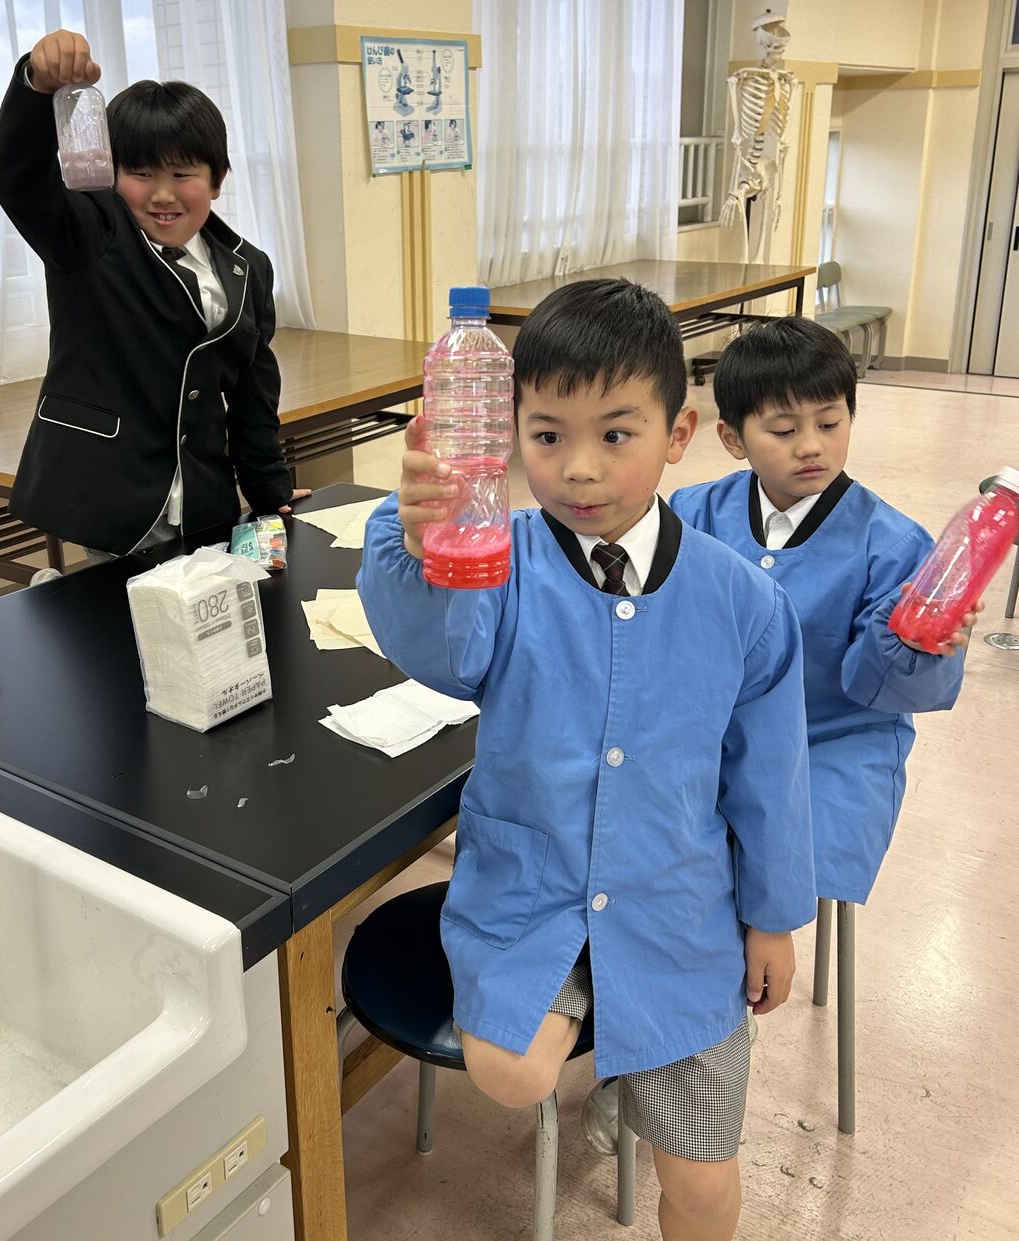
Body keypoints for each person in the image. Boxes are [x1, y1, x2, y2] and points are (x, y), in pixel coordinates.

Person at [358, 279, 816, 1240]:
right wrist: (416, 542)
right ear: (509, 434)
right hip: (537, 885)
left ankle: (632, 1059)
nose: (578, 468)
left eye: (616, 433)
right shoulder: (501, 558)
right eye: (546, 434)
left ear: (678, 432)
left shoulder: (742, 601)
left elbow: (769, 776)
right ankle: (607, 1039)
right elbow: (444, 656)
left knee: (700, 1180)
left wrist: (774, 918)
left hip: (680, 900)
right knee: (511, 1069)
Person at [669, 316, 973, 909]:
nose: (811, 445)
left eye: (830, 423)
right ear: (732, 439)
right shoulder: (692, 513)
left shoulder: (894, 545)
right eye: (783, 430)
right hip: (708, 732)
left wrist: (918, 647)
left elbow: (885, 688)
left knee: (774, 868)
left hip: (831, 743)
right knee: (649, 848)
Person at [0, 29, 308, 559]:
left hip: (203, 504)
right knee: (119, 615)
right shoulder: (91, 237)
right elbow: (14, 176)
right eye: (139, 174)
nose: (162, 194)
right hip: (111, 504)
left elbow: (253, 391)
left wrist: (270, 489)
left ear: (217, 179)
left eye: (182, 174)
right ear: (112, 174)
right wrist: (35, 86)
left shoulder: (248, 266)